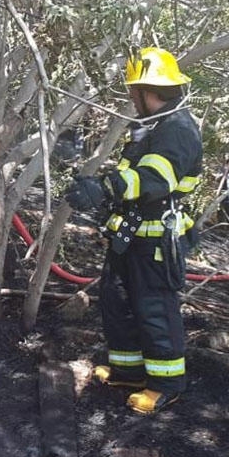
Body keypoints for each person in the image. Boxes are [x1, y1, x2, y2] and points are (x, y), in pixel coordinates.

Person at [66, 47, 202, 414]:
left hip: (156, 240)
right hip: (132, 236)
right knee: (119, 302)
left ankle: (166, 384)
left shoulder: (178, 128)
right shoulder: (151, 127)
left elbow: (156, 179)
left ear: (145, 89)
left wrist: (107, 188)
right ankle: (128, 370)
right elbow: (131, 174)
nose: (130, 97)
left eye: (132, 90)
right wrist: (101, 191)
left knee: (154, 309)